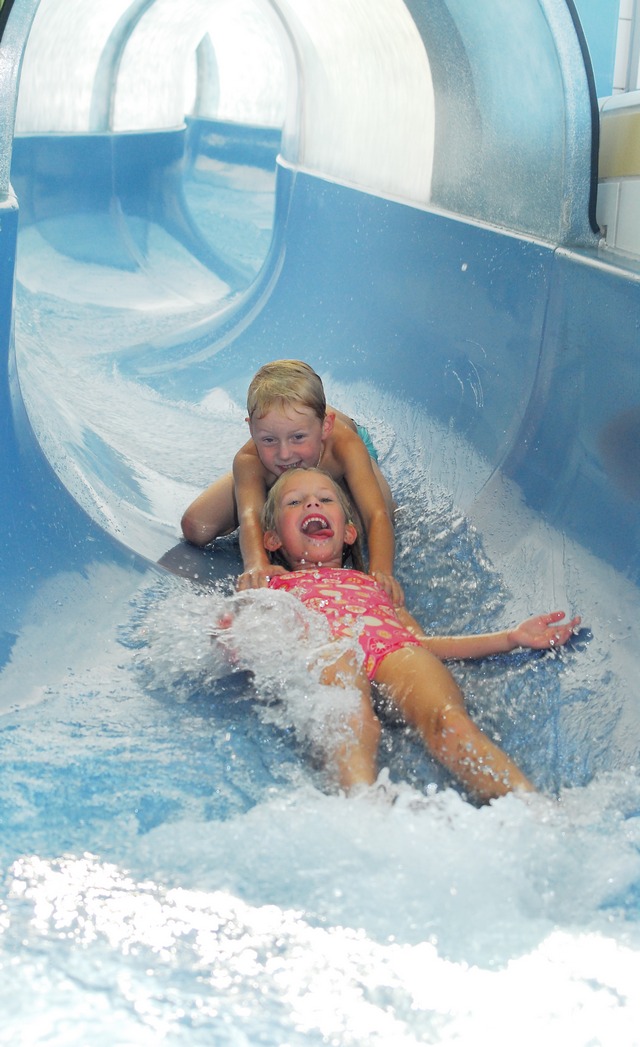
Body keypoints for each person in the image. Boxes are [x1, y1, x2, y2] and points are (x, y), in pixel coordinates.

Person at [255, 467, 581, 804]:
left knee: (449, 721)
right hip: (330, 652)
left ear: (350, 533)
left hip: (393, 652)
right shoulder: (272, 586)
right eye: (295, 502)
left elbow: (419, 644)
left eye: (325, 499)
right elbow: (255, 642)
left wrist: (511, 637)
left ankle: (530, 807)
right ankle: (361, 802)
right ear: (272, 539)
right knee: (349, 710)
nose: (312, 505)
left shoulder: (376, 585)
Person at [181, 360, 403, 604]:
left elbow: (376, 514)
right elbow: (249, 516)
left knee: (366, 522)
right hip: (270, 465)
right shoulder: (251, 459)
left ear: (325, 427)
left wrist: (382, 573)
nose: (285, 454)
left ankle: (302, 461)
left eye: (298, 437)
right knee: (196, 526)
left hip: (341, 454)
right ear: (252, 430)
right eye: (268, 440)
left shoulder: (344, 446)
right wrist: (257, 564)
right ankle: (279, 487)